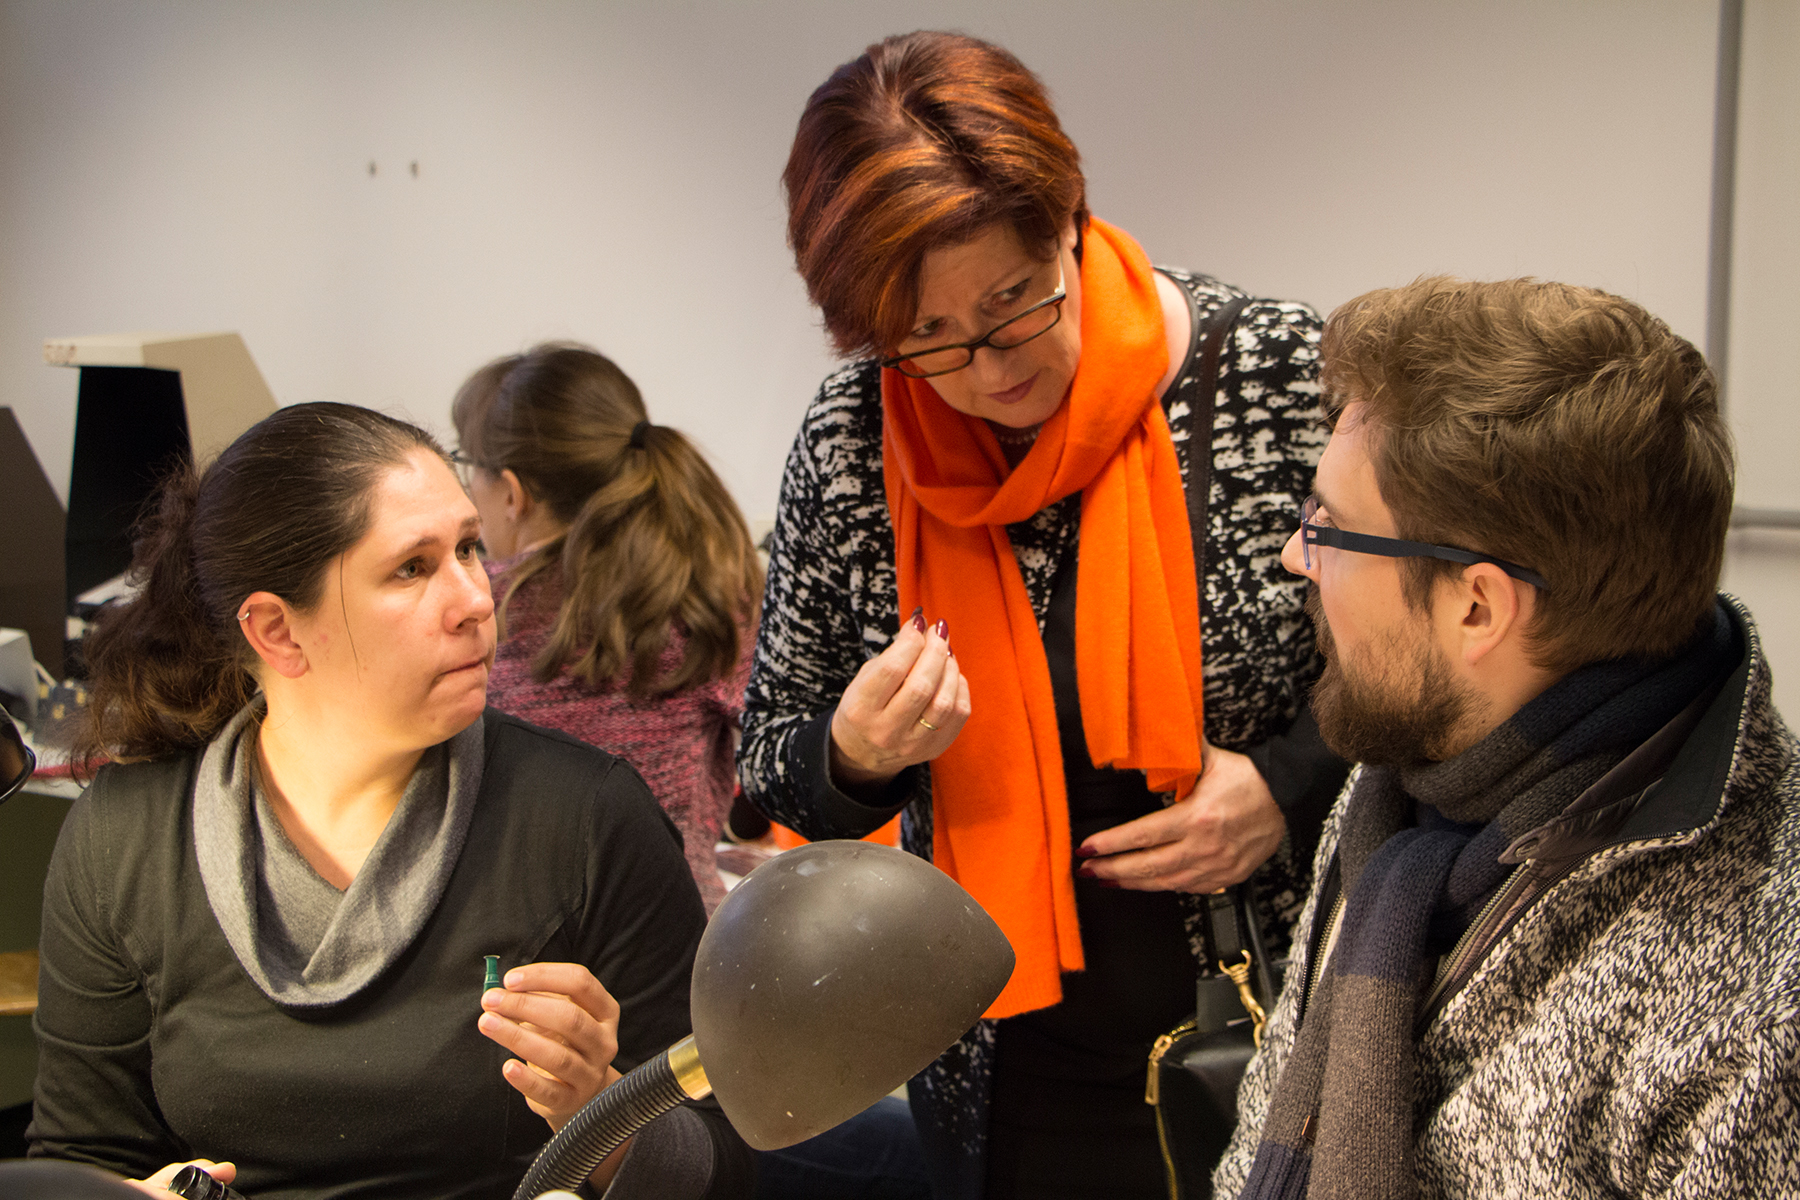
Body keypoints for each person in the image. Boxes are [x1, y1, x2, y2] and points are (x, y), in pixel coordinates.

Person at [739, 30, 1346, 1200]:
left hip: (1277, 1016)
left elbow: (1432, 687)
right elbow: (775, 755)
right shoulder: (857, 436)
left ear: (1069, 219)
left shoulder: (1276, 372)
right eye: (928, 339)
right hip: (1001, 1056)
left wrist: (1284, 781)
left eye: (1015, 302)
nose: (990, 368)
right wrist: (855, 755)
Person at [28, 403, 752, 1199]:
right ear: (276, 631)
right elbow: (78, 1158)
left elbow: (727, 1166)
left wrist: (604, 1119)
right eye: (412, 568)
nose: (478, 598)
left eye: (471, 548)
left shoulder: (584, 818)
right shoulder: (124, 843)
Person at [1216, 277, 1800, 1198]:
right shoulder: (1410, 796)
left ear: (1477, 604)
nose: (1297, 557)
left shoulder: (1755, 1015)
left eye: (1328, 525)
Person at [450, 344, 762, 914]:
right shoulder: (701, 591)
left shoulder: (468, 608)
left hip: (512, 942)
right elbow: (776, 741)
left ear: (513, 493)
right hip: (680, 935)